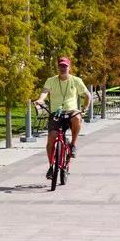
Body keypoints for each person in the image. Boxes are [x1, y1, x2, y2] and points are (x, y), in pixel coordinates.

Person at [36, 56, 90, 184]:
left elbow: (87, 95)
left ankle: (73, 144)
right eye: (61, 66)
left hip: (71, 111)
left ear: (69, 67)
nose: (62, 68)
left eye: (65, 66)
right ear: (58, 67)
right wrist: (40, 99)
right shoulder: (51, 81)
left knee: (77, 118)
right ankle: (51, 166)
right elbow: (44, 92)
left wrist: (85, 108)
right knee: (50, 141)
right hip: (56, 113)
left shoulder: (76, 80)